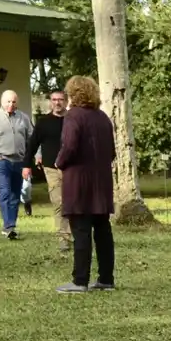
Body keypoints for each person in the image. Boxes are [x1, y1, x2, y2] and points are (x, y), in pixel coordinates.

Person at [53, 76, 117, 294]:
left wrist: (59, 161)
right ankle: (106, 278)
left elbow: (69, 145)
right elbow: (112, 152)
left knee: (81, 230)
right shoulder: (102, 118)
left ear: (73, 94)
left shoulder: (73, 116)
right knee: (102, 230)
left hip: (79, 182)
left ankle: (80, 280)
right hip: (101, 182)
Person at [0, 90, 33, 240]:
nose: (11, 104)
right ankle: (8, 226)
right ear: (2, 101)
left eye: (14, 102)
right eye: (8, 101)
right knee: (5, 192)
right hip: (2, 161)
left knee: (15, 194)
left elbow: (32, 139)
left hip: (19, 162)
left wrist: (36, 155)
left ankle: (11, 225)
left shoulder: (24, 118)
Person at [27, 89, 71, 252]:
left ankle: (77, 234)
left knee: (73, 202)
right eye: (54, 100)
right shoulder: (44, 122)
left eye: (60, 99)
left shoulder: (73, 120)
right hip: (51, 168)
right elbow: (32, 144)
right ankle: (63, 238)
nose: (57, 103)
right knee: (58, 202)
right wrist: (26, 164)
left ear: (66, 101)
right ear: (50, 102)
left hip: (72, 168)